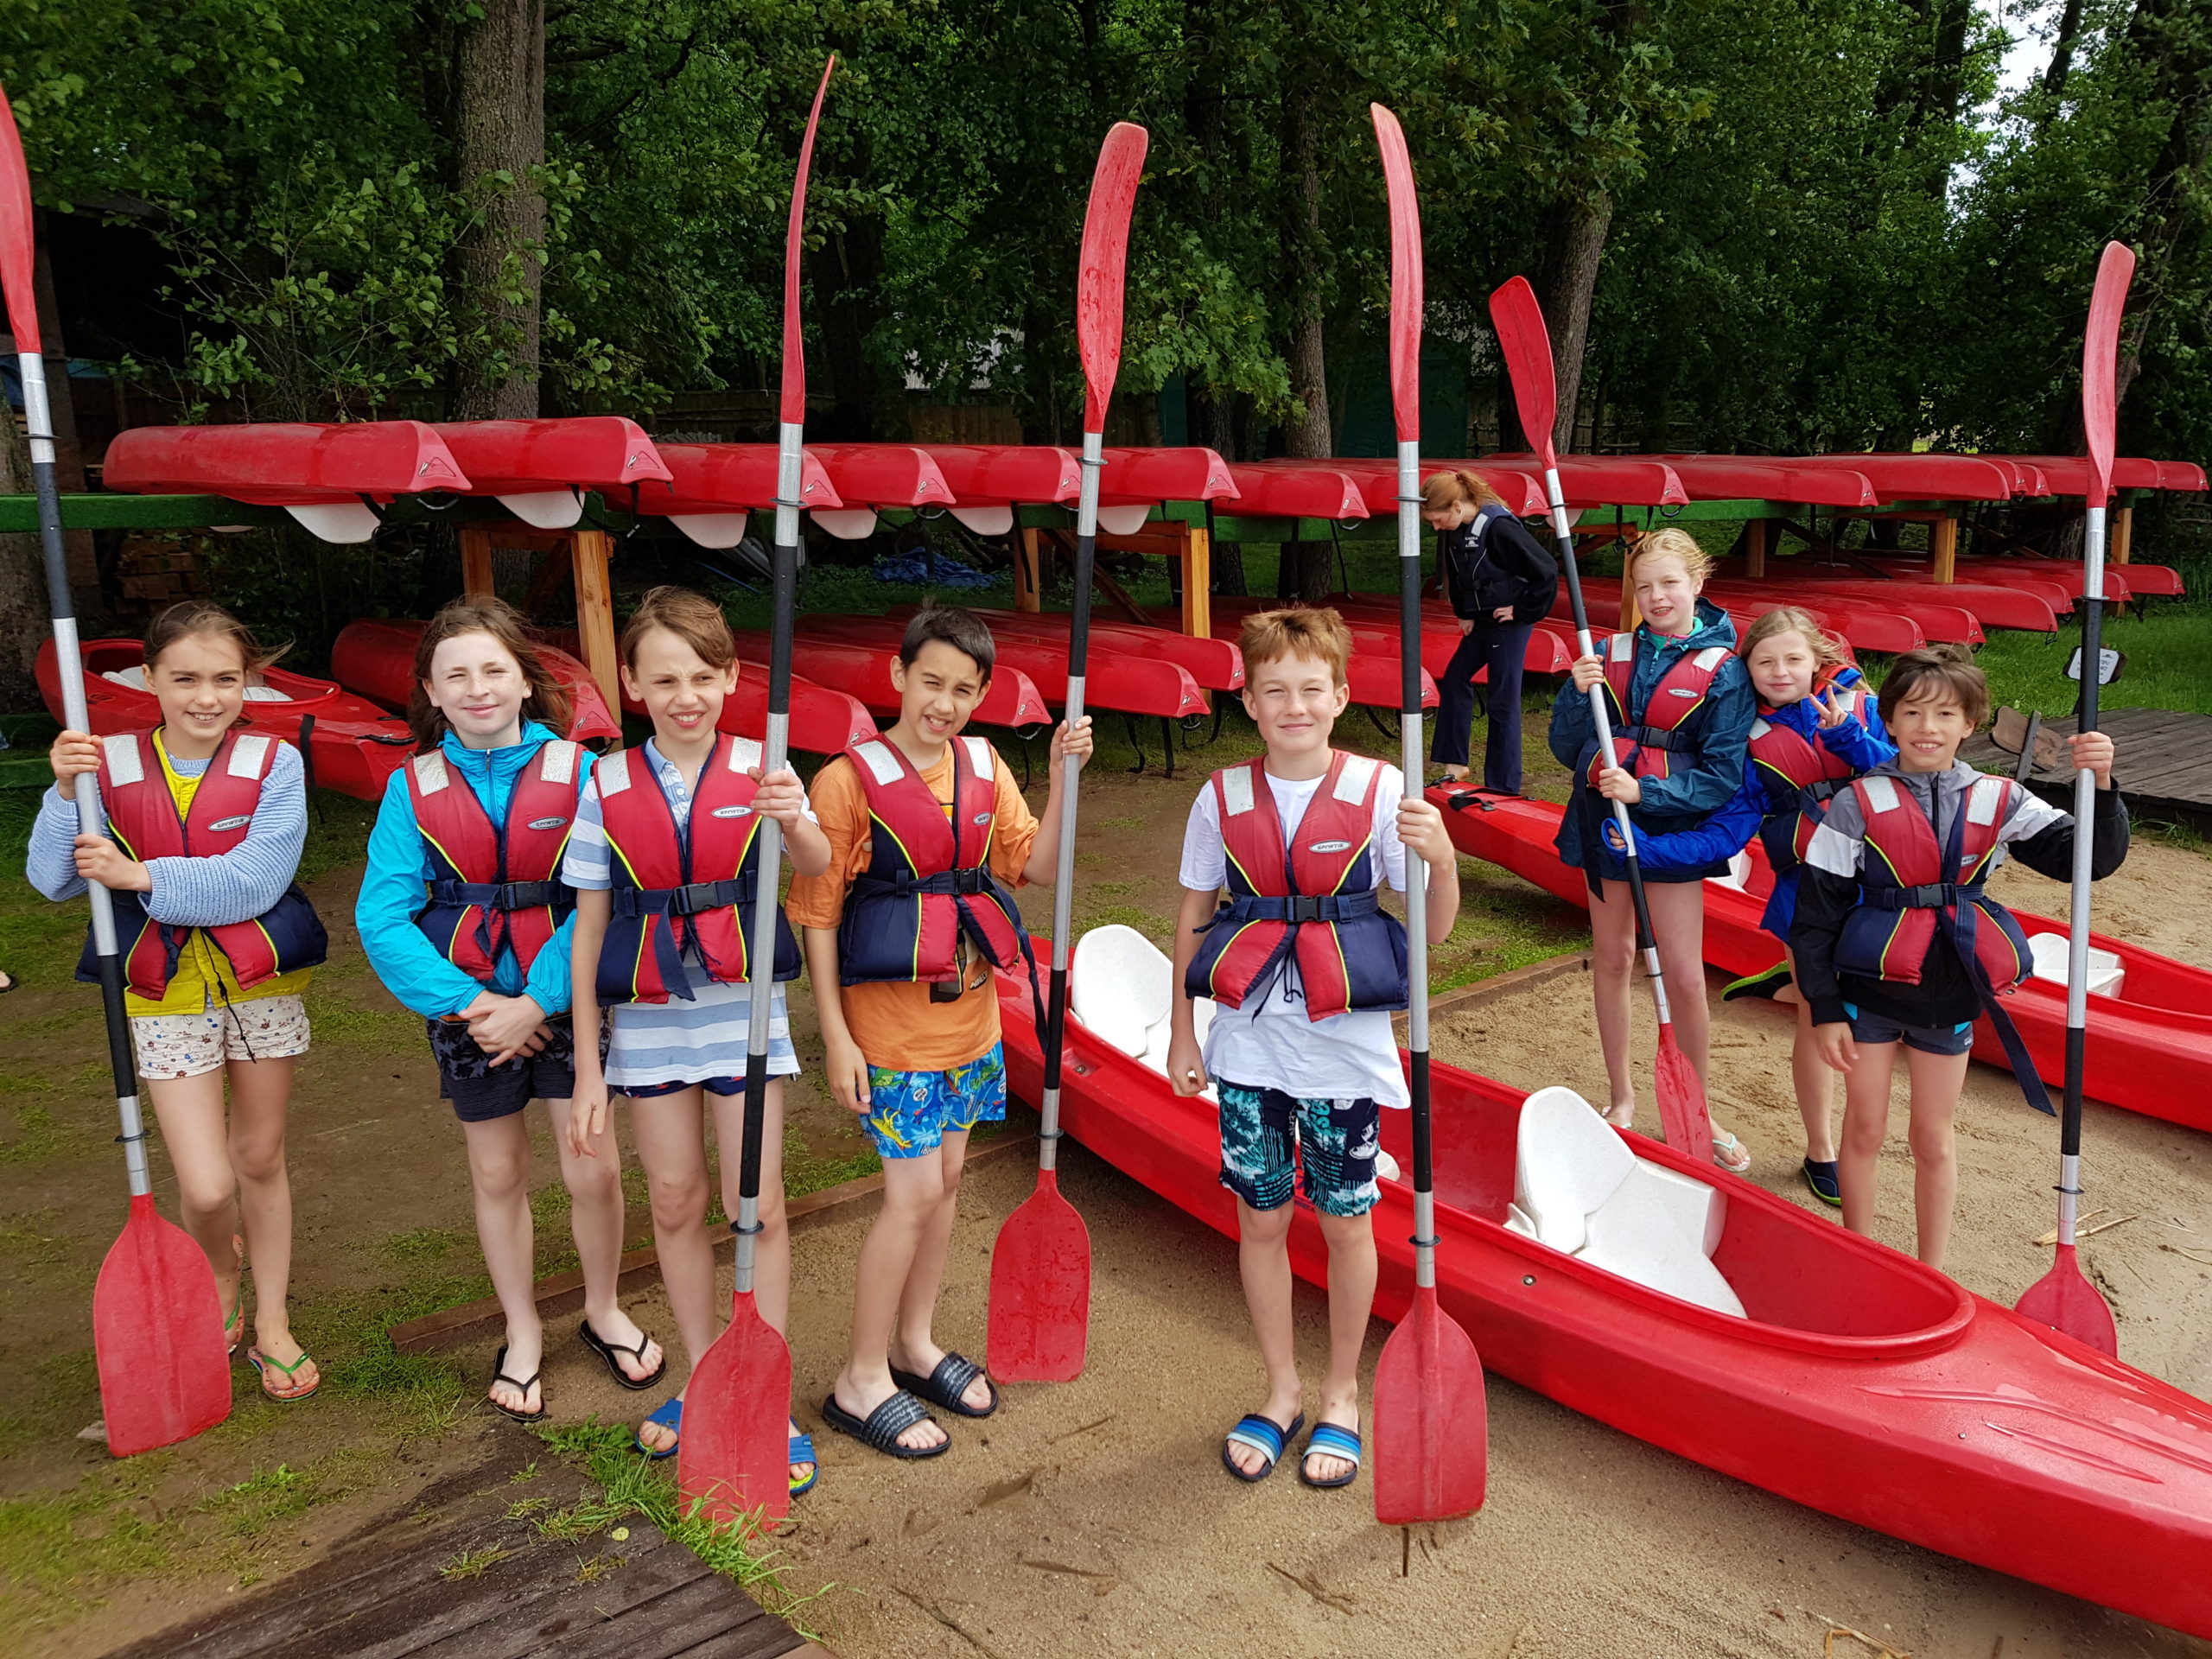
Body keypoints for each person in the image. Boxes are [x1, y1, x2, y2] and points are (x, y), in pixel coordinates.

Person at [1164, 607, 1461, 1491]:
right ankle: (1281, 1389)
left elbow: (1433, 933)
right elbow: (1194, 916)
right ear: (1250, 703)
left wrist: (1443, 860)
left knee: (1343, 1220)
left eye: (1310, 689)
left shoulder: (1380, 790)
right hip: (1248, 1052)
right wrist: (1181, 1030)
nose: (1293, 706)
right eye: (1274, 691)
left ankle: (1341, 1394)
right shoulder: (1220, 798)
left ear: (1338, 696)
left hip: (1341, 1054)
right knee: (1261, 1219)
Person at [785, 605, 1091, 1459]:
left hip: (971, 1023)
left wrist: (1063, 778)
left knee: (949, 1182)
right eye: (930, 683)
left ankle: (912, 1343)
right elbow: (817, 915)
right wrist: (836, 1038)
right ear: (898, 675)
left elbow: (1036, 866)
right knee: (912, 1194)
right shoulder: (845, 781)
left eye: (963, 690)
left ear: (981, 695)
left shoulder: (985, 767)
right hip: (889, 1034)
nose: (944, 704)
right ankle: (859, 1379)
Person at [356, 596, 663, 1422]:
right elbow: (381, 918)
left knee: (593, 1166)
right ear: (431, 691)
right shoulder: (409, 790)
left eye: (494, 670)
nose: (478, 688)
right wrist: (474, 1003)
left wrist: (536, 1001)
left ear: (526, 682)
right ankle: (521, 1329)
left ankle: (602, 1308)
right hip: (470, 1011)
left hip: (562, 999)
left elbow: (603, 895)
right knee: (497, 1173)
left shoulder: (583, 774)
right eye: (456, 675)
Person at [564, 587, 832, 1491]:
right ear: (633, 684)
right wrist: (590, 1066)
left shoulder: (764, 765)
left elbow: (816, 864)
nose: (686, 696)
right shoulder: (604, 786)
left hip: (742, 1017)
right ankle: (703, 1374)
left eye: (702, 677)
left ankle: (765, 1387)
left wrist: (793, 815)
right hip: (649, 1024)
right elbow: (589, 932)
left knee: (758, 1202)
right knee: (675, 1200)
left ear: (730, 678)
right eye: (665, 678)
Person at [29, 601, 327, 1400]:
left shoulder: (275, 764)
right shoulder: (104, 762)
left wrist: (139, 875)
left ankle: (272, 1319)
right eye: (186, 678)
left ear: (247, 683)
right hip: (162, 993)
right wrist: (63, 792)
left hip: (258, 989)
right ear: (149, 679)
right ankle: (221, 1276)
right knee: (206, 1187)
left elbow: (256, 881)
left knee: (258, 1158)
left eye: (226, 679)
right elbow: (52, 880)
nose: (207, 696)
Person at [1792, 647, 2126, 1269]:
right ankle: (1860, 1257)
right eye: (1912, 712)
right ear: (1888, 720)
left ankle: (1932, 1271)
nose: (1928, 728)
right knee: (1864, 1129)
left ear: (1969, 724)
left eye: (1946, 714)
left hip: (1950, 990)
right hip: (1869, 990)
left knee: (1932, 1138)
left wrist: (2102, 787)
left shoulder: (2001, 799)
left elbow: (2089, 860)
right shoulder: (1855, 803)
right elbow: (1813, 920)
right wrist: (1825, 1008)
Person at [1618, 607, 1895, 1205]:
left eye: (1793, 659)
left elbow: (1907, 780)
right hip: (1807, 896)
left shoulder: (1861, 710)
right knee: (1819, 1017)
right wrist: (1646, 849)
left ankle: (1860, 1135)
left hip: (1880, 885)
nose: (1780, 671)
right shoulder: (1749, 741)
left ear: (1817, 662)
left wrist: (1848, 739)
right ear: (1748, 669)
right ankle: (1821, 1149)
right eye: (1765, 661)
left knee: (1870, 1020)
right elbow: (1725, 831)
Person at [1548, 527, 1756, 1172]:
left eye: (1670, 583)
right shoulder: (1607, 653)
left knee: (1685, 975)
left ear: (1698, 582)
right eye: (1644, 587)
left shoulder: (1725, 671)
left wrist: (1648, 793)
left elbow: (1721, 775)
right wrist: (1577, 694)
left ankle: (1697, 1109)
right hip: (1602, 820)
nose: (1657, 597)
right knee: (1612, 958)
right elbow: (1565, 748)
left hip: (1669, 828)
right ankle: (1622, 1098)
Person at [1421, 470, 1558, 795]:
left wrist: (1522, 610)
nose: (1437, 528)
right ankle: (1455, 763)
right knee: (1455, 678)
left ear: (1456, 506)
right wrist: (1465, 613)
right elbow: (1458, 574)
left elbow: (1546, 571)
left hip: (1509, 624)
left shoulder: (1500, 528)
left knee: (1502, 699)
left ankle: (1503, 785)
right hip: (1482, 619)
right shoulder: (1457, 529)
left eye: (1438, 520)